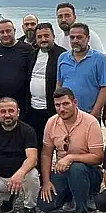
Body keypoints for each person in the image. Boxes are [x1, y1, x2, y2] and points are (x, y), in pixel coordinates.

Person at [38, 88, 104, 213]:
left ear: (75, 102)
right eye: (57, 105)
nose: (61, 109)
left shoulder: (90, 122)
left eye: (65, 104)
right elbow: (46, 155)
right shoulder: (51, 122)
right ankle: (71, 196)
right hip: (63, 170)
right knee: (44, 206)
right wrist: (46, 182)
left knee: (76, 168)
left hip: (87, 170)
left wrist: (70, 157)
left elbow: (98, 157)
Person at [57, 23, 106, 125]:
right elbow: (59, 84)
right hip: (66, 114)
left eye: (79, 37)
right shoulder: (62, 58)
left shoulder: (100, 59)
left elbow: (105, 88)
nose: (75, 41)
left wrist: (94, 114)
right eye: (72, 37)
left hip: (90, 114)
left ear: (88, 38)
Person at [25, 22, 66, 150]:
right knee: (35, 143)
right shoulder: (32, 55)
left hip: (52, 109)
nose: (43, 39)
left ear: (53, 36)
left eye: (46, 36)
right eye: (39, 36)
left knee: (58, 144)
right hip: (33, 108)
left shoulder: (62, 55)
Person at [0, 19, 32, 122]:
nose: (5, 34)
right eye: (2, 32)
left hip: (23, 101)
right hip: (0, 101)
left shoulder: (27, 49)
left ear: (14, 31)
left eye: (8, 31)